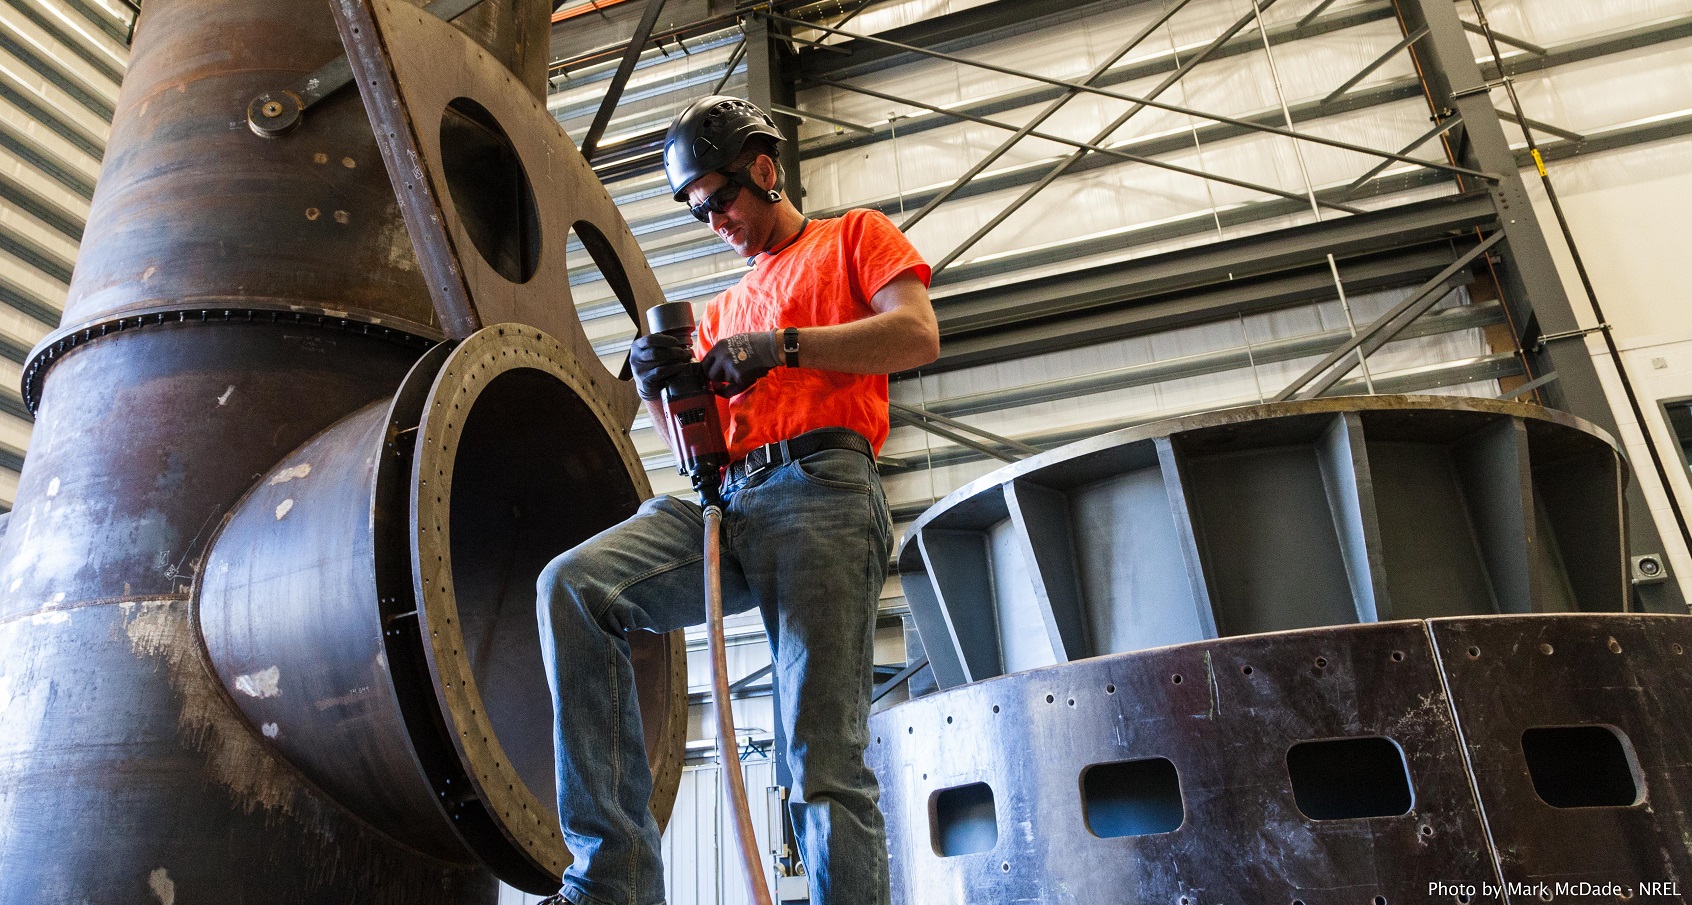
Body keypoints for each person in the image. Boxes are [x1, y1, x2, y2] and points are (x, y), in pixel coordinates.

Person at [535, 95, 939, 905]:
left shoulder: (850, 237)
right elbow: (698, 455)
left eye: (720, 198)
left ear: (764, 169)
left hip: (823, 487)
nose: (713, 217)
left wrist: (784, 347)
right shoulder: (720, 314)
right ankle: (612, 882)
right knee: (573, 588)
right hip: (728, 502)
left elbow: (916, 333)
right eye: (697, 210)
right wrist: (661, 390)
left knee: (819, 754)